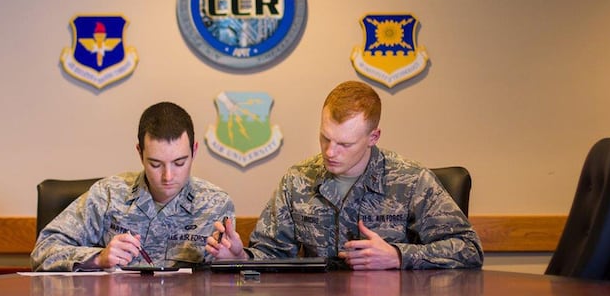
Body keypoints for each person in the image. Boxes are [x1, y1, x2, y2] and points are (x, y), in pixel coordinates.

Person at [206, 81, 484, 270]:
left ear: (373, 137)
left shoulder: (411, 181)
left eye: (345, 144)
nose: (330, 152)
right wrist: (240, 257)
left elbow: (469, 248)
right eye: (325, 138)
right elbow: (272, 254)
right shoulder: (298, 181)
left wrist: (398, 256)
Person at [31, 101, 235, 271]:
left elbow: (234, 277)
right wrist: (98, 258)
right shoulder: (108, 195)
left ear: (195, 151)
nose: (168, 176)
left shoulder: (216, 204)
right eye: (155, 164)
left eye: (179, 163)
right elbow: (42, 251)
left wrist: (234, 260)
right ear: (140, 153)